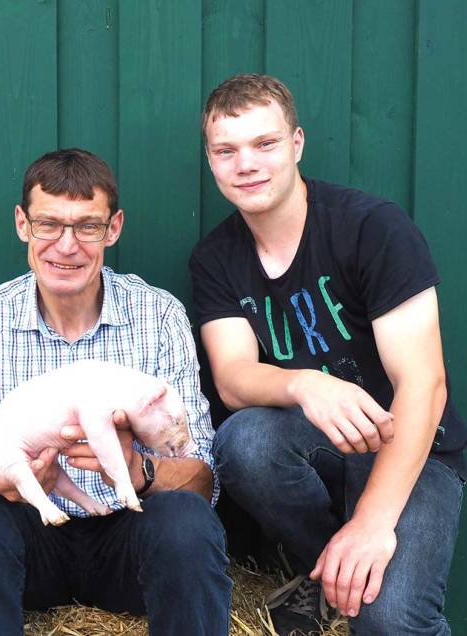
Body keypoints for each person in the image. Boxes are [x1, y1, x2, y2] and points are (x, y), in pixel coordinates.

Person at [190, 73, 467, 635]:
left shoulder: (372, 228)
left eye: (264, 144)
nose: (246, 164)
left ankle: (357, 566)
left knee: (389, 621)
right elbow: (234, 378)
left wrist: (372, 522)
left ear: (296, 143)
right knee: (241, 441)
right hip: (318, 441)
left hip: (416, 448)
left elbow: (425, 384)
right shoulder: (216, 256)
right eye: (227, 150)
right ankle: (332, 568)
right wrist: (305, 384)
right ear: (212, 160)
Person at [0, 148, 232, 636]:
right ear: (22, 224)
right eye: (48, 224)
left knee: (186, 521)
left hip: (130, 543)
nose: (66, 245)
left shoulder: (158, 316)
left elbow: (202, 481)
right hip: (32, 539)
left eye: (87, 227)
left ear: (113, 228)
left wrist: (139, 472)